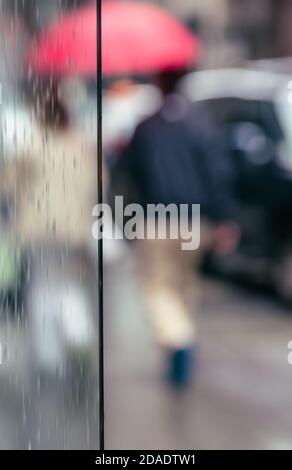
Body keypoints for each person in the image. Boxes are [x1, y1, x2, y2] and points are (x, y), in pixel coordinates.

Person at [112, 68, 239, 387]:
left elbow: (124, 177)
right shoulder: (200, 125)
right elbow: (218, 174)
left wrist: (123, 219)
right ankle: (178, 349)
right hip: (195, 221)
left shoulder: (146, 127)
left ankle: (179, 340)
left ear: (158, 84)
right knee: (183, 285)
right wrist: (223, 219)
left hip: (158, 218)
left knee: (158, 287)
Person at [0, 77, 98, 377]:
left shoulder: (33, 146)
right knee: (67, 284)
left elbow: (7, 186)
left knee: (42, 287)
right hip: (73, 229)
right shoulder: (82, 148)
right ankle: (79, 334)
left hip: (37, 229)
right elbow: (100, 184)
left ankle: (49, 357)